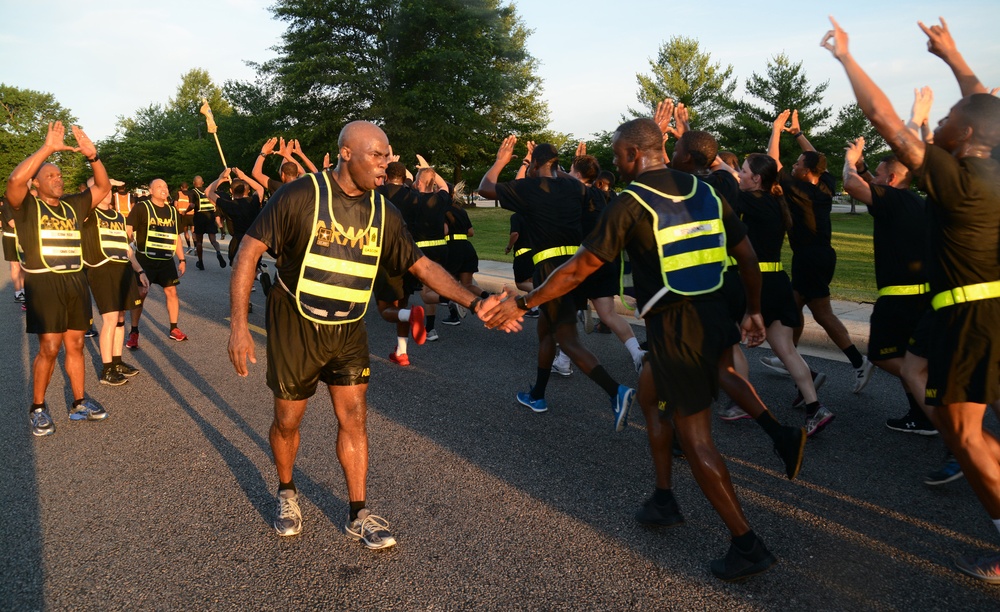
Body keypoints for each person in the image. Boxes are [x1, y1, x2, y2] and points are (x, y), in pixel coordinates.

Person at [484, 118, 779, 582]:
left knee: (697, 439)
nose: (616, 163)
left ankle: (747, 543)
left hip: (677, 328)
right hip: (712, 316)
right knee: (649, 400)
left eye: (619, 155)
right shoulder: (706, 191)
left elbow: (581, 267)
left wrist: (524, 300)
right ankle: (663, 497)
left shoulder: (631, 202)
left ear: (634, 155)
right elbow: (745, 255)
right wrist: (755, 311)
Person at [227, 120, 510, 549]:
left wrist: (474, 301)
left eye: (388, 155)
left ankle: (358, 512)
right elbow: (249, 251)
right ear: (346, 153)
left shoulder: (384, 211)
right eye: (376, 155)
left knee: (354, 417)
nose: (386, 164)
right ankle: (286, 491)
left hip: (347, 328)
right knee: (288, 420)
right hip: (296, 325)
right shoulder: (302, 194)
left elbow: (422, 266)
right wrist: (237, 327)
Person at [824, 14, 1000, 584]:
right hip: (988, 309)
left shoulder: (957, 177)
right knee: (963, 427)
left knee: (962, 432)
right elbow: (982, 104)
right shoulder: (994, 162)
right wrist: (952, 57)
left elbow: (882, 118)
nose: (941, 122)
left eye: (947, 119)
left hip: (969, 315)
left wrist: (847, 59)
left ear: (966, 138)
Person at [479, 139, 635, 431]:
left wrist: (503, 160)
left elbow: (485, 188)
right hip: (574, 268)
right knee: (546, 332)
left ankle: (616, 391)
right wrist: (557, 166)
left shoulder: (529, 187)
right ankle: (537, 394)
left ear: (535, 165)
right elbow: (585, 193)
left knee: (568, 339)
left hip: (549, 270)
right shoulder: (575, 187)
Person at [5, 121, 111, 434]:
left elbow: (103, 188)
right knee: (49, 348)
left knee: (76, 344)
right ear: (35, 183)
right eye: (49, 176)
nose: (57, 179)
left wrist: (94, 157)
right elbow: (14, 180)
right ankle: (38, 407)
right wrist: (48, 148)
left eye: (59, 174)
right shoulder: (25, 205)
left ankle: (79, 402)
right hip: (44, 283)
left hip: (74, 282)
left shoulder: (73, 205)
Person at [765, 109, 875, 393]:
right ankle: (790, 357)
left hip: (811, 257)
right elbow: (818, 160)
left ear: (806, 172)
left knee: (822, 313)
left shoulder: (798, 189)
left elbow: (772, 162)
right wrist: (799, 134)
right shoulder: (825, 185)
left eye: (798, 163)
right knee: (794, 306)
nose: (794, 165)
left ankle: (858, 361)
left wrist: (776, 129)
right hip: (819, 255)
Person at [841, 138, 933, 435]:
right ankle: (920, 415)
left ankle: (938, 411)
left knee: (883, 355)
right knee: (909, 358)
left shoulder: (892, 200)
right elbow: (871, 184)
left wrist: (851, 162)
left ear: (892, 180)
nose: (874, 181)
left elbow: (852, 185)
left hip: (898, 301)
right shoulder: (913, 201)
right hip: (922, 298)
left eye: (879, 176)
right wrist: (867, 168)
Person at [81, 177, 147, 386]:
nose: (107, 192)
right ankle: (106, 369)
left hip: (122, 270)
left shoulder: (118, 216)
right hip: (102, 270)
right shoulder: (88, 214)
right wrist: (102, 180)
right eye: (102, 188)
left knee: (120, 319)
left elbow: (127, 249)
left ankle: (117, 362)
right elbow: (88, 198)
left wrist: (139, 270)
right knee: (109, 319)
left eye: (109, 189)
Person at [125, 178, 189, 348]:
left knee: (172, 293)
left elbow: (176, 237)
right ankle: (134, 331)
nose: (164, 189)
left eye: (166, 187)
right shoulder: (141, 208)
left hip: (166, 261)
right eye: (159, 186)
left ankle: (174, 328)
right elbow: (129, 228)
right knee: (141, 294)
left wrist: (182, 259)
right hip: (146, 260)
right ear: (151, 191)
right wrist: (129, 243)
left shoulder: (173, 211)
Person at [375, 161, 426, 365]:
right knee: (402, 302)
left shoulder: (378, 193)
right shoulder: (415, 196)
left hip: (384, 255)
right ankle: (402, 352)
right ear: (404, 177)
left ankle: (411, 315)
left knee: (385, 309)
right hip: (409, 254)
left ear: (386, 176)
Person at [187, 175, 226, 270]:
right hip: (210, 216)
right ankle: (218, 252)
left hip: (199, 217)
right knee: (213, 240)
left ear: (193, 183)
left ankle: (200, 262)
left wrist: (186, 211)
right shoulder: (208, 191)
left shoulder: (193, 192)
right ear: (203, 182)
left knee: (199, 241)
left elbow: (192, 205)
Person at [1, 195, 25, 305]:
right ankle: (18, 292)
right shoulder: (6, 205)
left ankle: (24, 290)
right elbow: (12, 223)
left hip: (21, 236)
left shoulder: (20, 205)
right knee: (15, 265)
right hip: (10, 237)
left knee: (24, 265)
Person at [174, 181, 195, 253]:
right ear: (188, 187)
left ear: (181, 187)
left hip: (183, 215)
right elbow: (193, 204)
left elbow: (175, 204)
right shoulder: (191, 193)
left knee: (186, 231)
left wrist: (179, 211)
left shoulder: (178, 193)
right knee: (193, 230)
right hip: (191, 214)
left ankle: (189, 247)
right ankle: (195, 247)